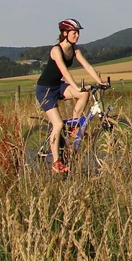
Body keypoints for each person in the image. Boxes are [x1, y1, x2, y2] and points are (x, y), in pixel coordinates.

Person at [36, 18, 108, 173]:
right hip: (45, 90)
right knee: (58, 124)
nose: (77, 36)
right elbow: (64, 72)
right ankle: (56, 162)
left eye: (78, 33)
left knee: (84, 95)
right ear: (65, 33)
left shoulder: (74, 49)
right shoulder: (56, 50)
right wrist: (75, 86)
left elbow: (87, 65)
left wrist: (100, 81)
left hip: (58, 86)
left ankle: (74, 127)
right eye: (74, 33)